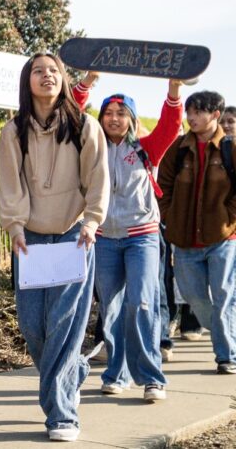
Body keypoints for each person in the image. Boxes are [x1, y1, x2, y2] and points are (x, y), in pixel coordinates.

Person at [0, 53, 109, 442]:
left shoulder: (83, 126)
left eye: (54, 71)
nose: (47, 76)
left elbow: (97, 178)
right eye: (38, 71)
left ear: (63, 79)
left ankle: (62, 414)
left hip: (74, 236)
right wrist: (14, 226)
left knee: (64, 324)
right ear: (27, 82)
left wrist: (92, 221)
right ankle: (74, 372)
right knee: (33, 327)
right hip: (30, 239)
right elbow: (10, 186)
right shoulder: (12, 131)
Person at [88, 82, 182, 402]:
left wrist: (174, 93)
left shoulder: (146, 148)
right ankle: (117, 373)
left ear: (131, 118)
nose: (113, 119)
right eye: (108, 113)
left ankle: (152, 378)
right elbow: (71, 114)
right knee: (111, 309)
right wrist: (85, 83)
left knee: (141, 303)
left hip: (142, 236)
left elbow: (170, 126)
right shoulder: (91, 147)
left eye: (120, 113)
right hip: (103, 239)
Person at [157, 91, 236, 375]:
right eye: (189, 111)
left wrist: (230, 216)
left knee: (224, 295)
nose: (191, 117)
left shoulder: (230, 148)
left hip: (222, 237)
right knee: (194, 297)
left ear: (215, 114)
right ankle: (226, 335)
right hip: (185, 238)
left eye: (198, 112)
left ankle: (227, 356)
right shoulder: (178, 149)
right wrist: (168, 214)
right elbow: (162, 184)